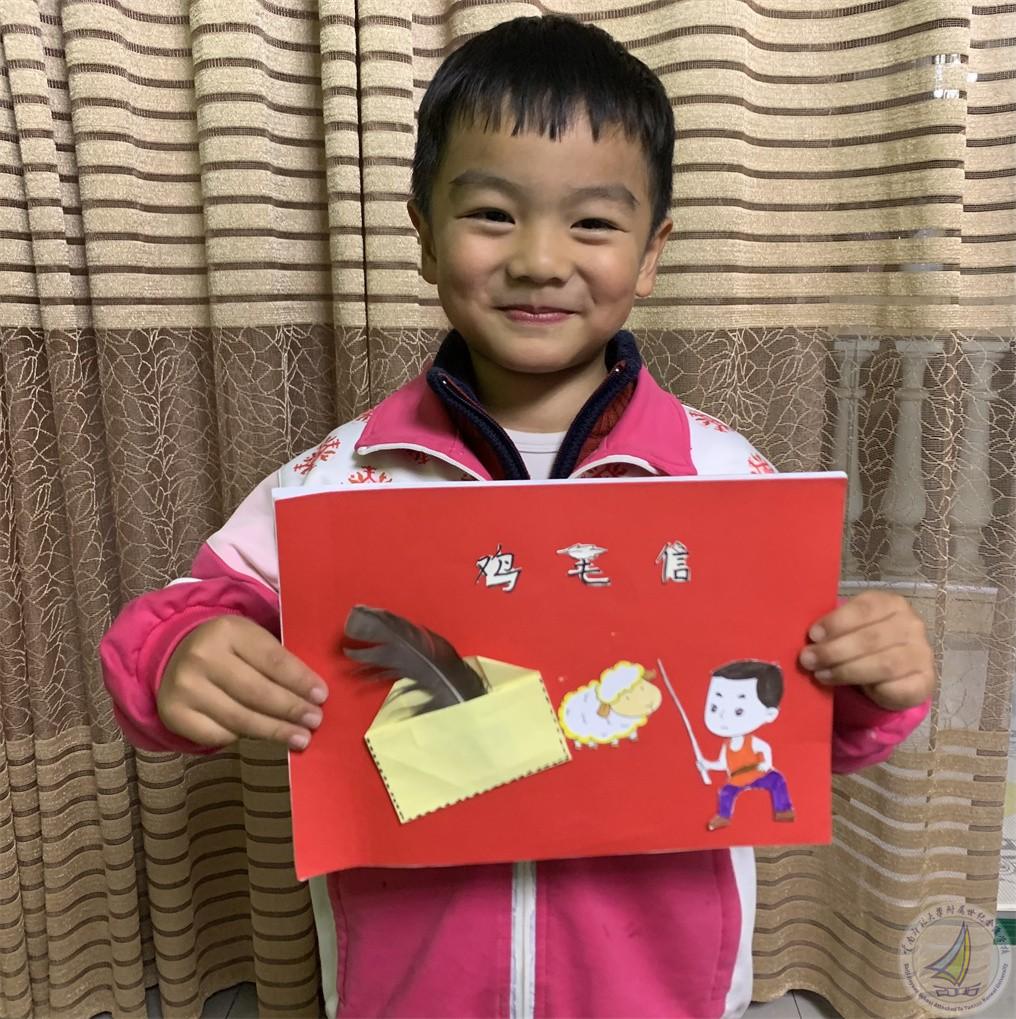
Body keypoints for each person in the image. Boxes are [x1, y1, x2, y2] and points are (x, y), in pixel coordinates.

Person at [100, 15, 935, 1018]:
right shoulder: (339, 480)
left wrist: (870, 681)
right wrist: (181, 652)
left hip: (659, 989)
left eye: (592, 224)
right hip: (411, 988)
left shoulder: (721, 479)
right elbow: (186, 616)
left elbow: (785, 702)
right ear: (423, 233)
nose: (540, 259)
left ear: (652, 252)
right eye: (492, 213)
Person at [698, 660, 796, 830]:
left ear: (769, 714)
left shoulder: (753, 742)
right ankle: (723, 817)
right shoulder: (727, 746)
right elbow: (723, 764)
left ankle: (783, 810)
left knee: (777, 780)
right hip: (737, 779)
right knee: (726, 793)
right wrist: (707, 765)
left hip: (758, 775)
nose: (722, 717)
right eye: (714, 707)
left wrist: (766, 764)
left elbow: (765, 751)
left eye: (738, 711)